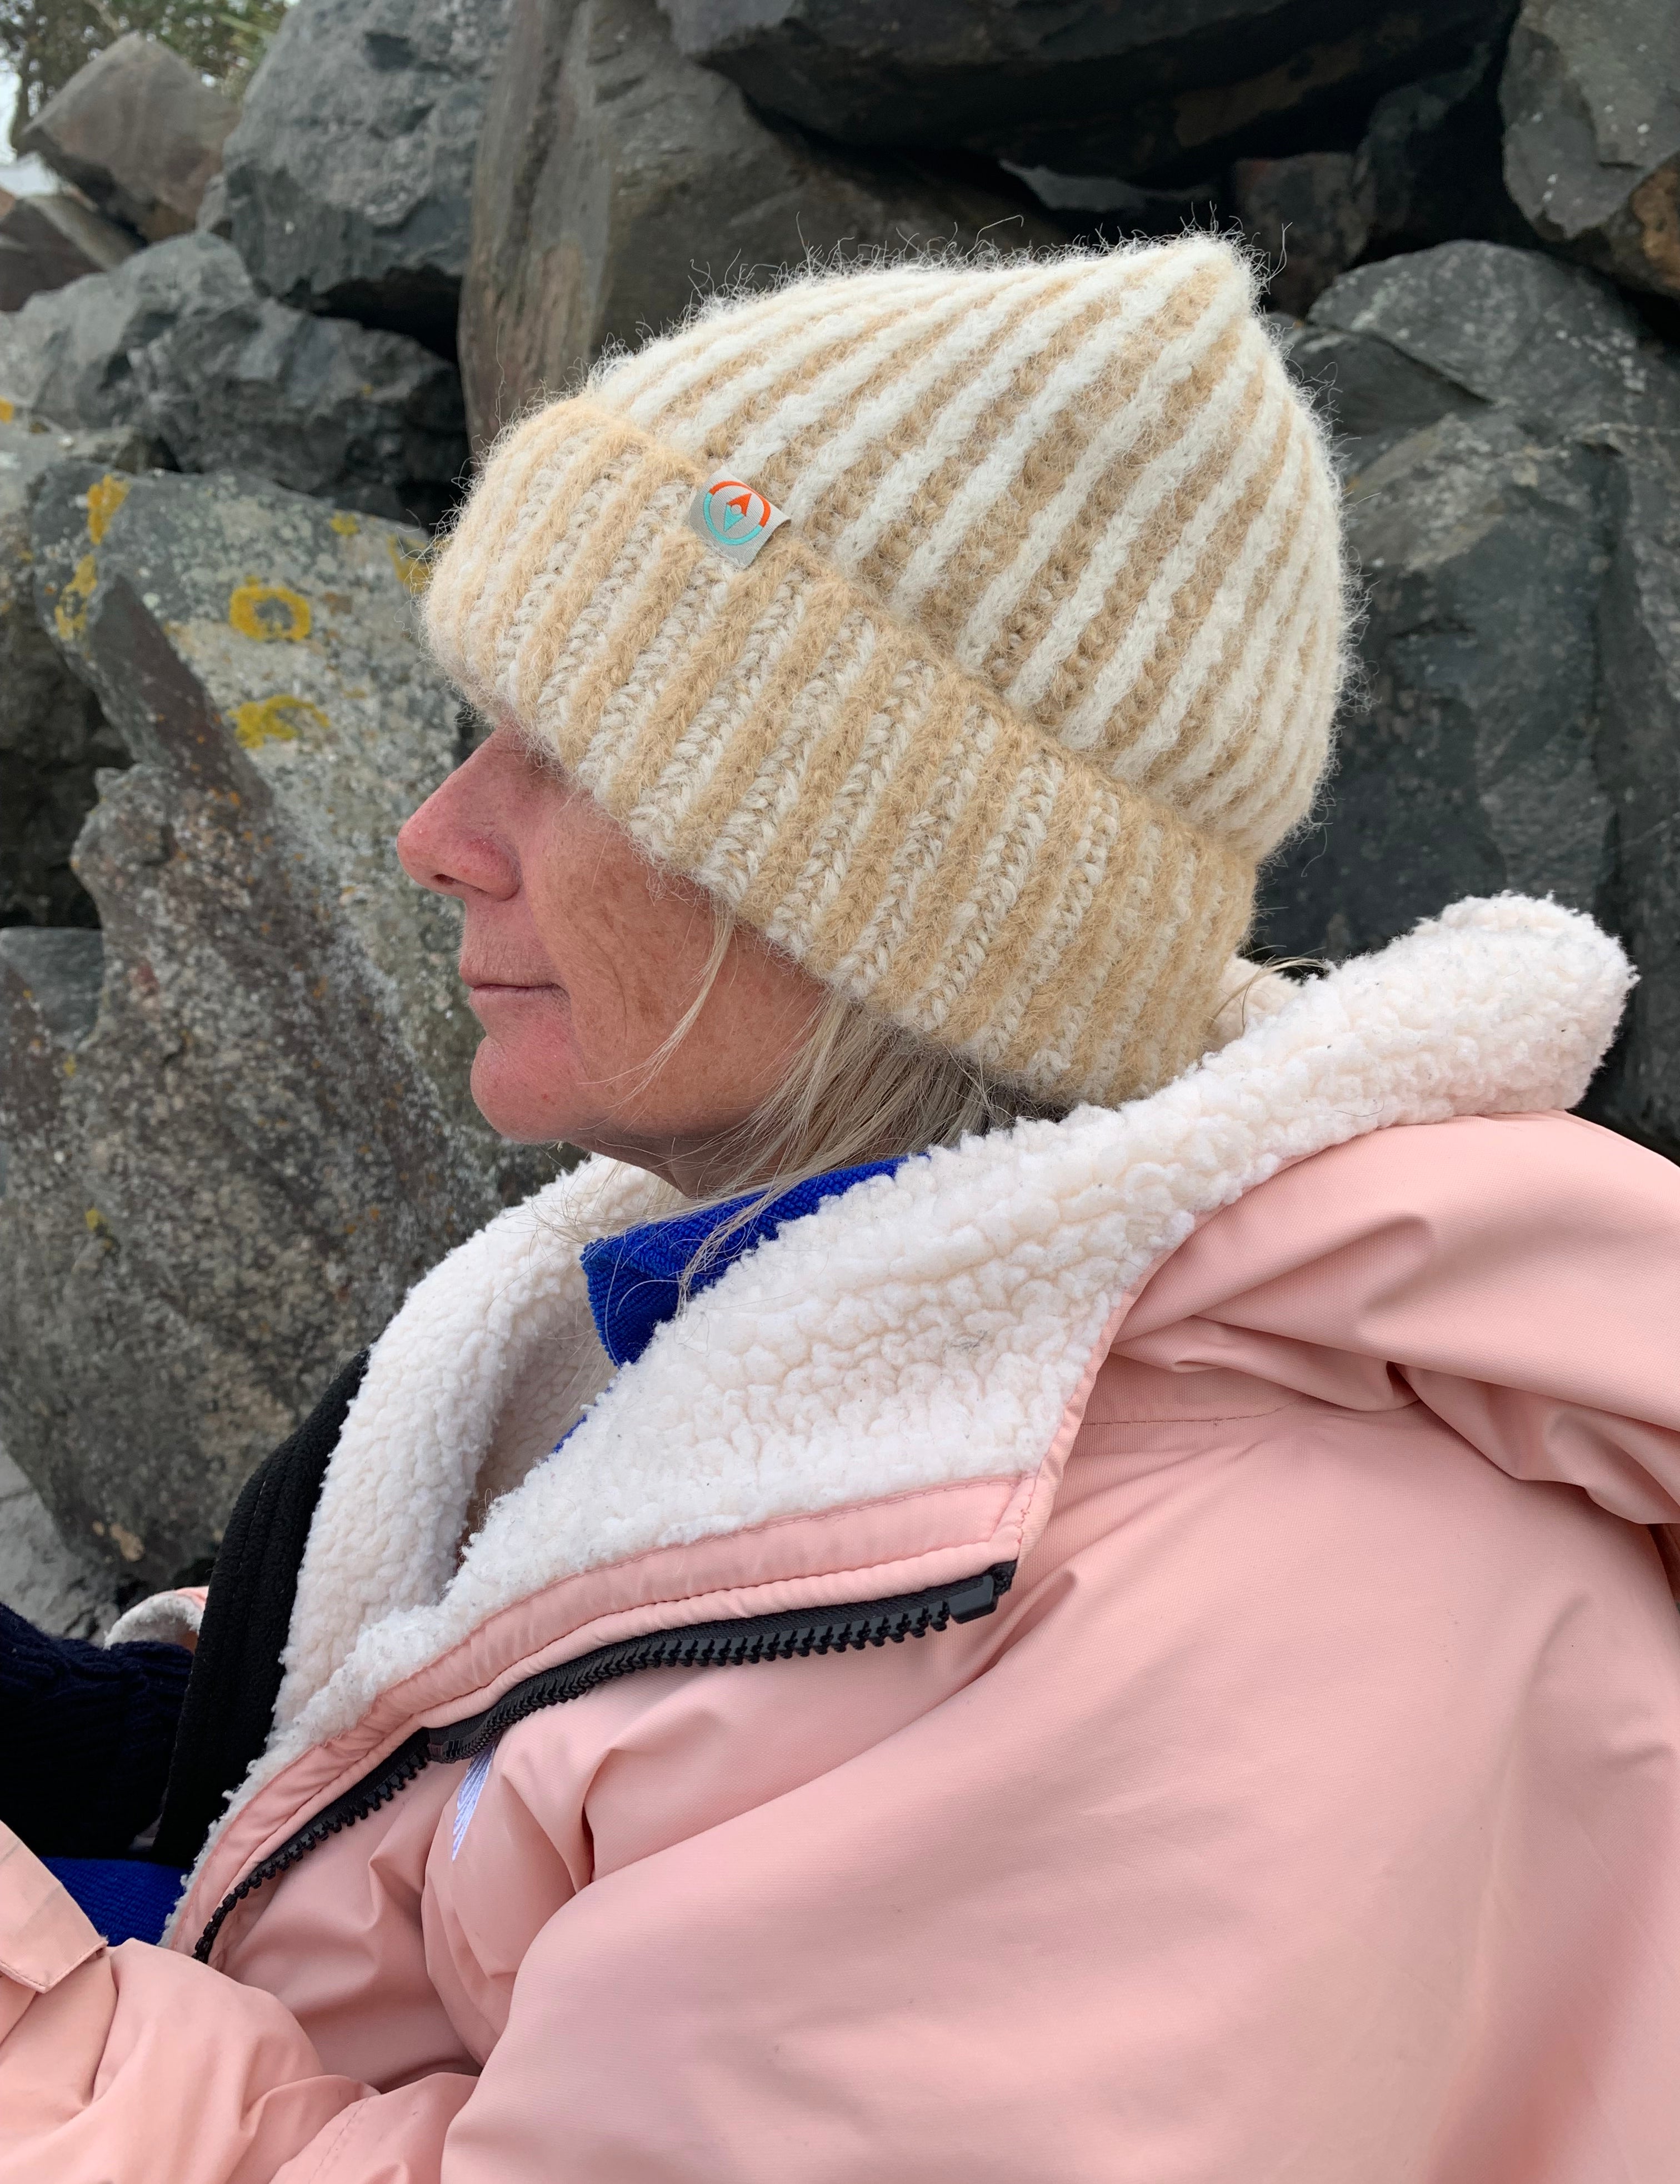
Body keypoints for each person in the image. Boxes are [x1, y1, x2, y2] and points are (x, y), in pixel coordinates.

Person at [3, 236, 1678, 2183]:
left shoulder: (1220, 1608)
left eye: (560, 752)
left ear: (864, 877)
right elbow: (505, 1692)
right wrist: (110, 1727)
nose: (435, 834)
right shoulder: (765, 1259)